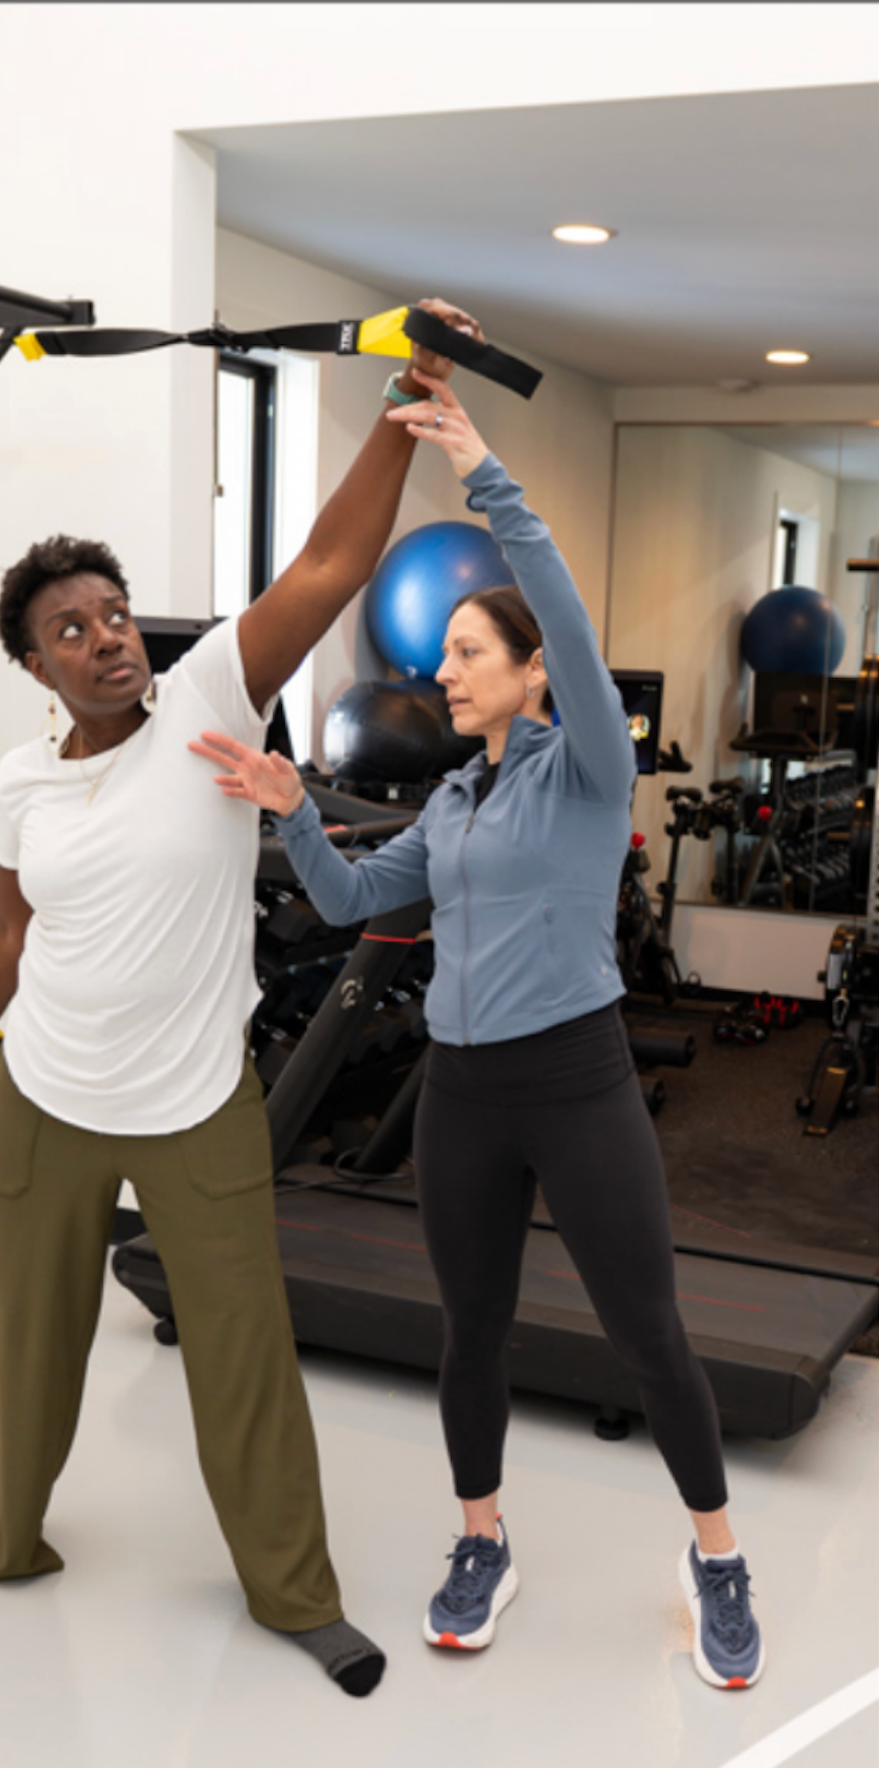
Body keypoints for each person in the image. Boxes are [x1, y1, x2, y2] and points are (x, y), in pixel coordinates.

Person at [0, 299, 481, 1697]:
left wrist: (408, 409)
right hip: (43, 1094)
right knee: (26, 1340)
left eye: (114, 614)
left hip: (192, 1103)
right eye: (74, 629)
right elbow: (7, 927)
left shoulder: (213, 695)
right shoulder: (17, 781)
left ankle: (296, 1595)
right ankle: (0, 1537)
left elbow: (336, 559)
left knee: (242, 1351)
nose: (109, 639)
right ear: (34, 662)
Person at [190, 372, 765, 1692]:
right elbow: (347, 902)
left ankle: (719, 1558)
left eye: (466, 655)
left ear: (530, 676)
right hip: (464, 1093)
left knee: (649, 1335)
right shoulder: (450, 804)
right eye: (438, 653)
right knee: (473, 1327)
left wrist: (482, 472)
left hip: (576, 1083)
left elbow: (562, 609)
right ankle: (481, 1540)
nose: (438, 672)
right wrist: (288, 805)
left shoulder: (586, 772)